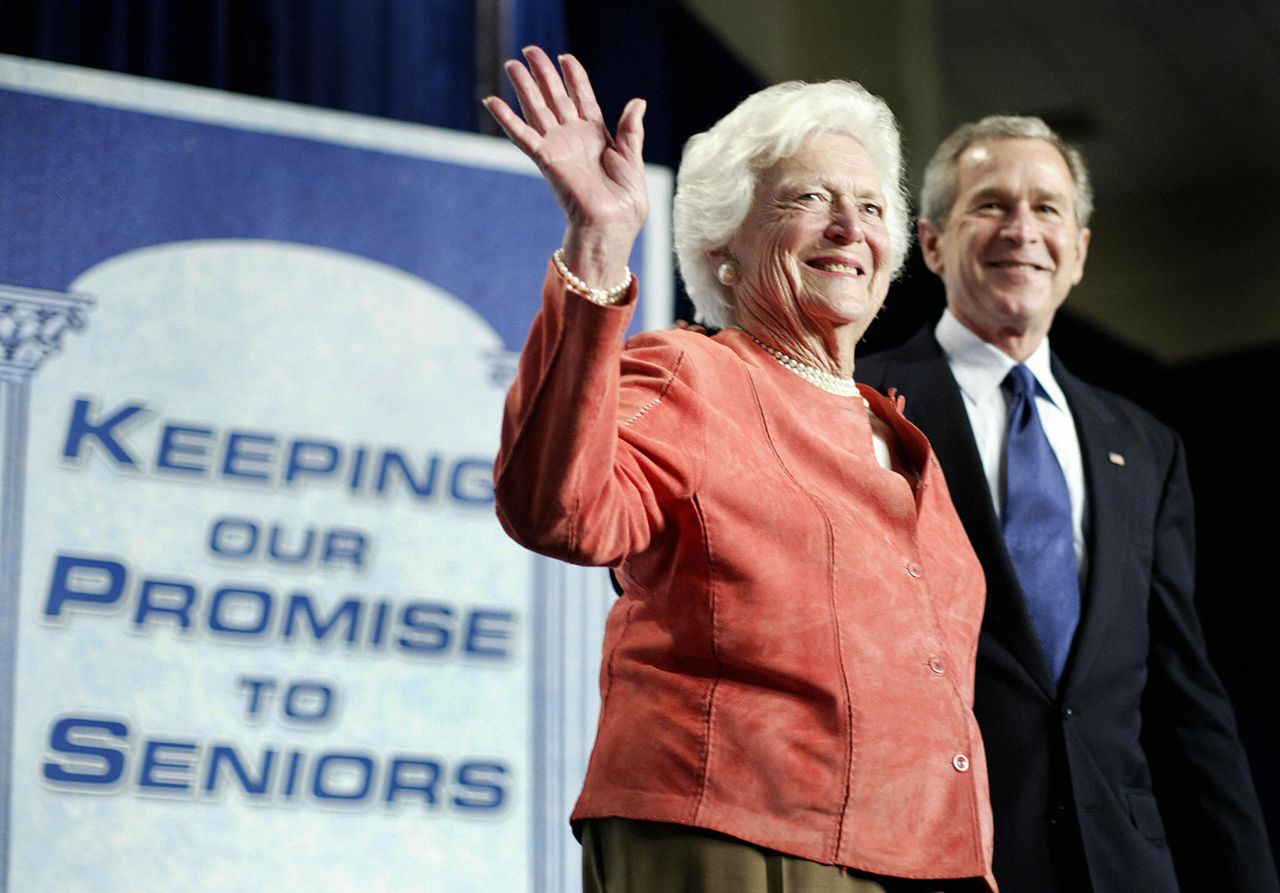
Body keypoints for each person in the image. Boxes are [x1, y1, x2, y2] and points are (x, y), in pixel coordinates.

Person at [486, 47, 995, 891]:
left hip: (918, 859)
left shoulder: (904, 441)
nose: (850, 227)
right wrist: (600, 244)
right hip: (735, 833)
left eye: (871, 207)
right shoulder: (697, 373)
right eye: (809, 199)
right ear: (724, 247)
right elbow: (559, 509)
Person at [857, 115, 1279, 893]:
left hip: (1121, 867)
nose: (1022, 229)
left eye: (1048, 208)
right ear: (932, 244)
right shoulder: (864, 401)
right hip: (938, 859)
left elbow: (1184, 697)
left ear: (1079, 252)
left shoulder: (1145, 446)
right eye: (990, 204)